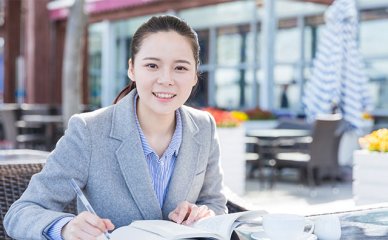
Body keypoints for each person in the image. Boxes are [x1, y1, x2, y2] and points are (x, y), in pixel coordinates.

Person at [4, 15, 227, 239]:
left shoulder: (203, 126)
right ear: (132, 69)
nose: (166, 79)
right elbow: (20, 213)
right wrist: (65, 228)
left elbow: (214, 203)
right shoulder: (89, 131)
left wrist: (204, 214)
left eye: (180, 68)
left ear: (195, 75)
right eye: (152, 65)